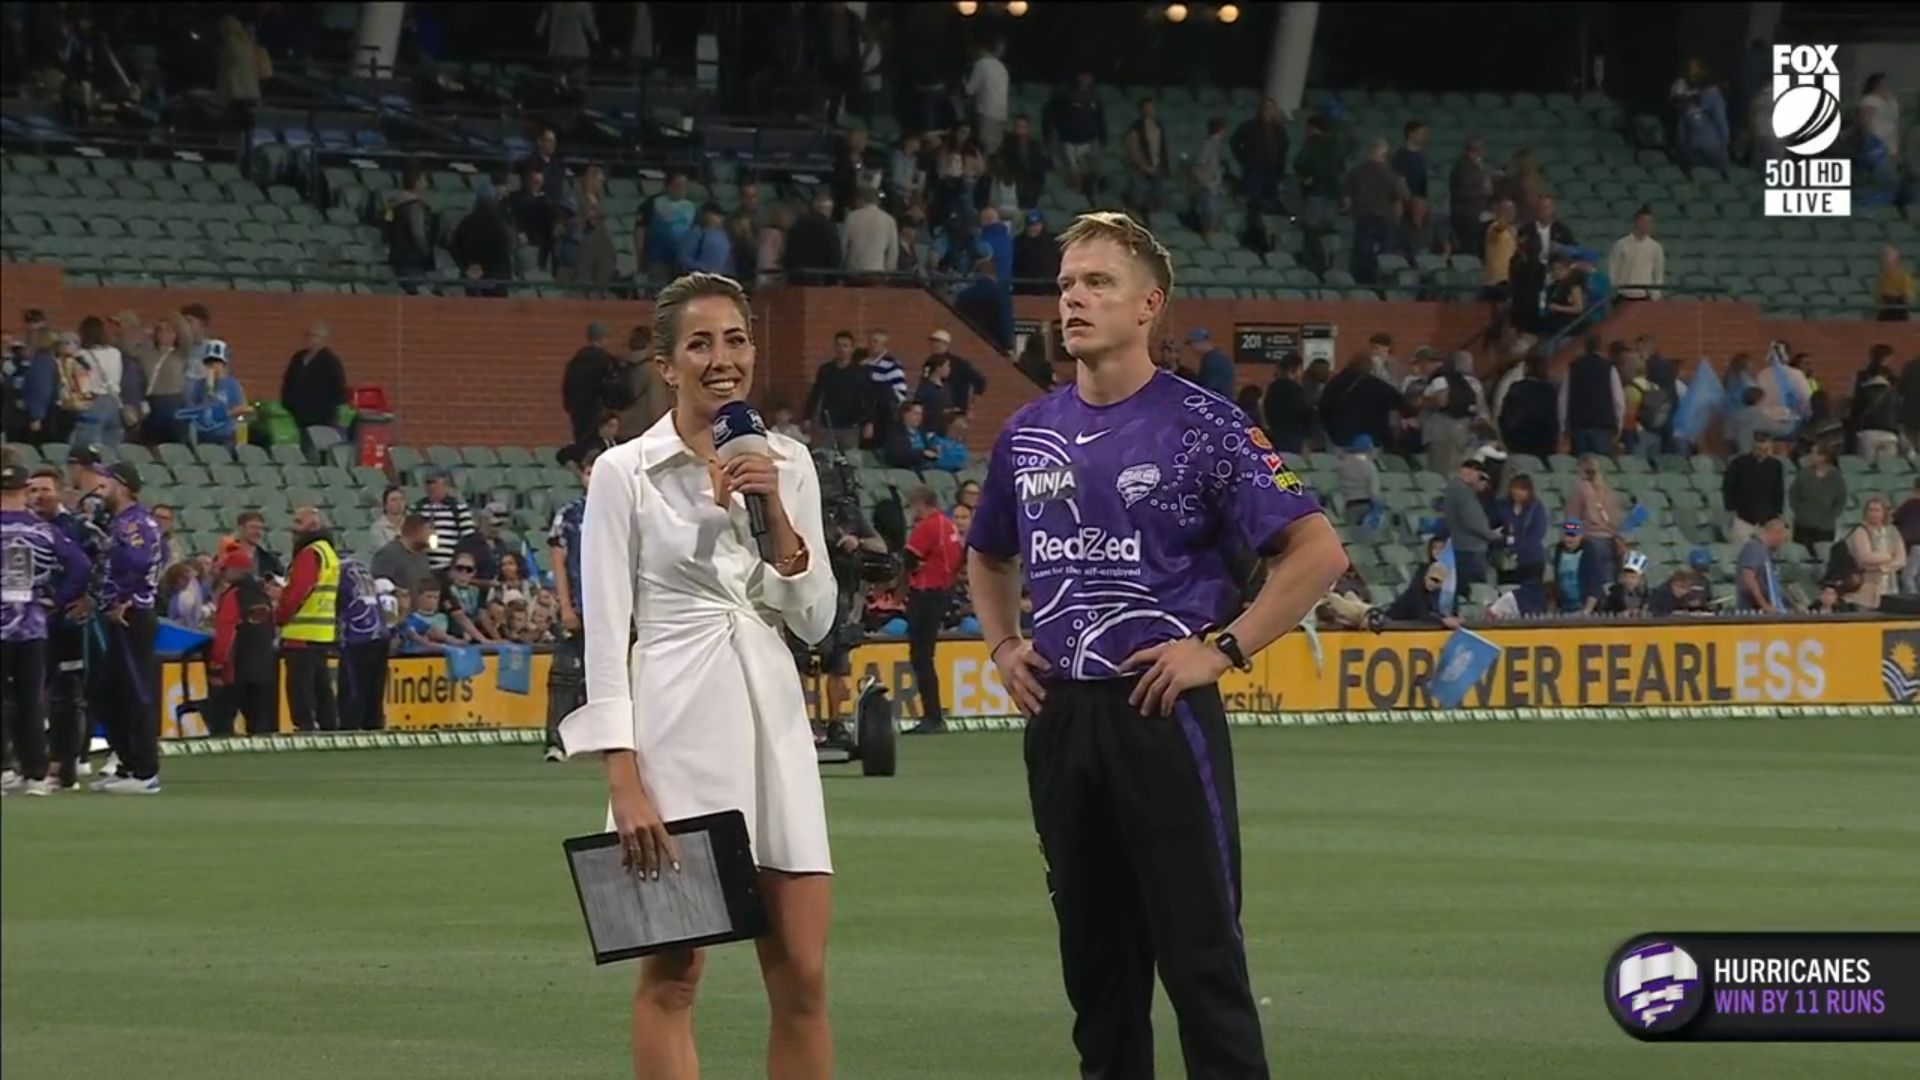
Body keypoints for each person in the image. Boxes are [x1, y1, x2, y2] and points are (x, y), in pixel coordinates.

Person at [967, 212, 1345, 1078]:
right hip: (1061, 715)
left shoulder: (1205, 423)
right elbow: (988, 555)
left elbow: (1316, 553)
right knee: (1096, 971)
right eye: (1066, 284)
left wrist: (1221, 649)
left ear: (1149, 305)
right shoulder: (1028, 433)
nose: (1073, 299)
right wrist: (1002, 645)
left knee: (1201, 957)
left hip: (1161, 711)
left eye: (1097, 282)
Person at [559, 273, 837, 1080]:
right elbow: (606, 635)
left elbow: (815, 619)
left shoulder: (786, 460)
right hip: (673, 730)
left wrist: (773, 508)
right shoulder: (623, 472)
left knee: (803, 978)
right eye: (701, 344)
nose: (723, 359)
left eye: (736, 340)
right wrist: (623, 779)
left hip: (773, 725)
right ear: (666, 363)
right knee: (674, 978)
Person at [0, 461, 91, 797]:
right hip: (33, 625)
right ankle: (36, 774)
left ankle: (4, 769)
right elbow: (81, 565)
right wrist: (59, 598)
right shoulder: (43, 529)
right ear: (24, 491)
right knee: (31, 700)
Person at [91, 461, 163, 793]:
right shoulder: (120, 521)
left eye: (106, 481)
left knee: (135, 692)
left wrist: (124, 598)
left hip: (132, 615)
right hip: (122, 614)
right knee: (113, 694)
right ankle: (128, 764)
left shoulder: (134, 522)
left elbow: (139, 560)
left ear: (121, 486)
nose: (100, 487)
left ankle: (145, 772)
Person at [545, 440, 603, 762]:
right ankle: (557, 740)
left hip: (615, 607)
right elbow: (558, 559)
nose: (593, 477)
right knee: (565, 674)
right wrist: (565, 606)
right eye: (588, 471)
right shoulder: (568, 515)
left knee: (610, 676)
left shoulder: (627, 512)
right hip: (579, 605)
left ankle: (608, 740)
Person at [901, 486, 962, 735]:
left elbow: (908, 558)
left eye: (912, 505)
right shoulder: (948, 525)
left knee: (921, 656)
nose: (912, 511)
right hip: (943, 592)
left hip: (926, 594)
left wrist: (912, 573)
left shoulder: (927, 526)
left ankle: (932, 716)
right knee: (926, 655)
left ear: (920, 504)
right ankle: (933, 714)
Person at [275, 506, 340, 733]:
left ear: (312, 526)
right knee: (322, 686)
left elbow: (298, 592)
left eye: (298, 522)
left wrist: (280, 615)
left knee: (300, 687)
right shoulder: (328, 553)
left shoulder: (309, 553)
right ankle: (329, 727)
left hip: (301, 633)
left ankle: (305, 727)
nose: (293, 527)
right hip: (322, 632)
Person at [206, 544, 278, 737]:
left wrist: (217, 666)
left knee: (223, 724)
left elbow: (226, 633)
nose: (224, 574)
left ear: (235, 570)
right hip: (263, 668)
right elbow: (271, 629)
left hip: (236, 668)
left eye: (226, 569)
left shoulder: (233, 595)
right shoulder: (263, 596)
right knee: (259, 726)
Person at [336, 552, 390, 731]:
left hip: (357, 635)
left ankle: (351, 729)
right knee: (374, 690)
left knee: (353, 688)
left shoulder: (336, 572)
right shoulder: (361, 568)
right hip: (379, 633)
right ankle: (373, 727)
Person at [1843, 497, 1906, 610]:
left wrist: (1882, 568)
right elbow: (1866, 558)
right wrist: (1889, 556)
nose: (1873, 513)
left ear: (1884, 512)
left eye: (1877, 510)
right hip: (1866, 586)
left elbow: (1901, 559)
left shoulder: (1892, 531)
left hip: (1889, 585)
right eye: (1870, 510)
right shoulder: (1861, 531)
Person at [1736, 517, 1788, 613]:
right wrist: (1764, 605)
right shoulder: (1753, 547)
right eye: (1782, 540)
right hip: (1753, 612)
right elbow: (1748, 578)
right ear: (1776, 534)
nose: (1781, 544)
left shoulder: (1765, 553)